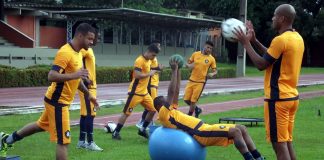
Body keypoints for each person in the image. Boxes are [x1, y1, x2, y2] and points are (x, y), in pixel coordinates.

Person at [0, 23, 99, 160]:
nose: (92, 42)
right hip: (58, 102)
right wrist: (74, 75)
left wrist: (88, 95)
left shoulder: (78, 53)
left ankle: (6, 140)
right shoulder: (65, 52)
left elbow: (77, 79)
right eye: (89, 38)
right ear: (80, 35)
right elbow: (51, 76)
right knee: (64, 141)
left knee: (39, 126)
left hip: (56, 100)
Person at [153, 59, 265, 160]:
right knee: (235, 132)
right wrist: (173, 71)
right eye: (165, 99)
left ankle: (258, 157)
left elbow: (176, 91)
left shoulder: (171, 111)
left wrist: (177, 70)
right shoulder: (163, 114)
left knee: (242, 128)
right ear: (160, 106)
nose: (169, 99)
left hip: (204, 128)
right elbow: (171, 92)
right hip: (199, 133)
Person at [233, 4, 304, 160]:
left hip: (278, 99)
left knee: (279, 145)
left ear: (282, 18)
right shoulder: (296, 37)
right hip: (291, 98)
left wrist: (245, 43)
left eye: (274, 15)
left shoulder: (280, 40)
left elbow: (261, 64)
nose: (272, 18)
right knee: (287, 142)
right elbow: (271, 56)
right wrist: (255, 41)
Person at [112, 44, 160, 140]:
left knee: (153, 110)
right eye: (153, 55)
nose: (154, 58)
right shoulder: (139, 60)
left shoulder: (148, 60)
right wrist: (149, 74)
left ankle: (142, 129)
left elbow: (151, 70)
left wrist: (158, 69)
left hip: (144, 93)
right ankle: (116, 132)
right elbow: (137, 75)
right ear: (149, 52)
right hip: (135, 93)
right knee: (126, 113)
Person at [76, 29, 103, 151]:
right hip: (88, 88)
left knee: (84, 114)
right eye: (92, 38)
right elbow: (77, 62)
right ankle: (90, 142)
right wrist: (85, 78)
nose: (94, 40)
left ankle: (81, 141)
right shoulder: (84, 49)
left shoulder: (89, 50)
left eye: (95, 38)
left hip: (91, 87)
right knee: (90, 114)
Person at [184, 40, 217, 118]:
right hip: (191, 80)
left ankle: (189, 117)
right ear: (204, 46)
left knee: (193, 101)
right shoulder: (195, 54)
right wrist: (188, 65)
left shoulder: (211, 59)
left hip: (201, 82)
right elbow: (188, 63)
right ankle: (197, 109)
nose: (209, 49)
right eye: (208, 47)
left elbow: (215, 71)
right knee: (186, 100)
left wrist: (212, 73)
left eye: (211, 48)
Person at [136, 41, 163, 129]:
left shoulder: (154, 57)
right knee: (153, 104)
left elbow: (153, 69)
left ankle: (145, 121)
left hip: (154, 83)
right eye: (158, 46)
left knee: (151, 104)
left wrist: (158, 69)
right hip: (151, 83)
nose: (159, 48)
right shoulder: (150, 58)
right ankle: (144, 121)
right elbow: (148, 69)